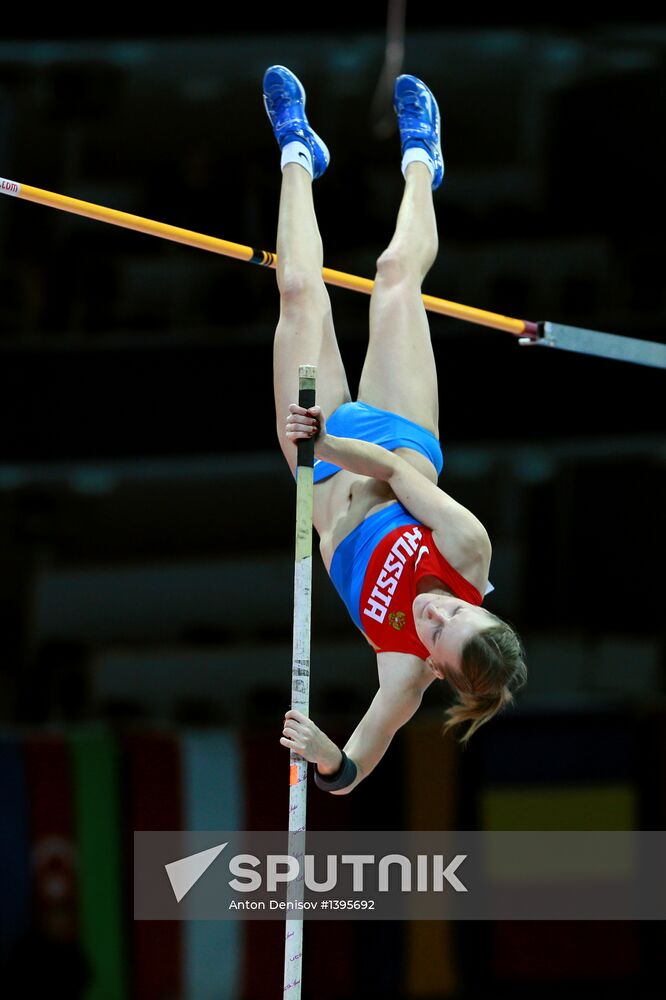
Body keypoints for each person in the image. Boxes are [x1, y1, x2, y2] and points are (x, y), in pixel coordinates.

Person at [264, 65, 526, 795]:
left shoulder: (403, 675)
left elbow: (353, 769)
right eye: (459, 609)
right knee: (392, 279)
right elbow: (403, 480)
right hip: (391, 436)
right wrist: (334, 440)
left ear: (437, 668)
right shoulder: (469, 552)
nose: (440, 610)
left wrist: (325, 756)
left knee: (295, 292)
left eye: (441, 629)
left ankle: (294, 150)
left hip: (319, 486)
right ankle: (422, 160)